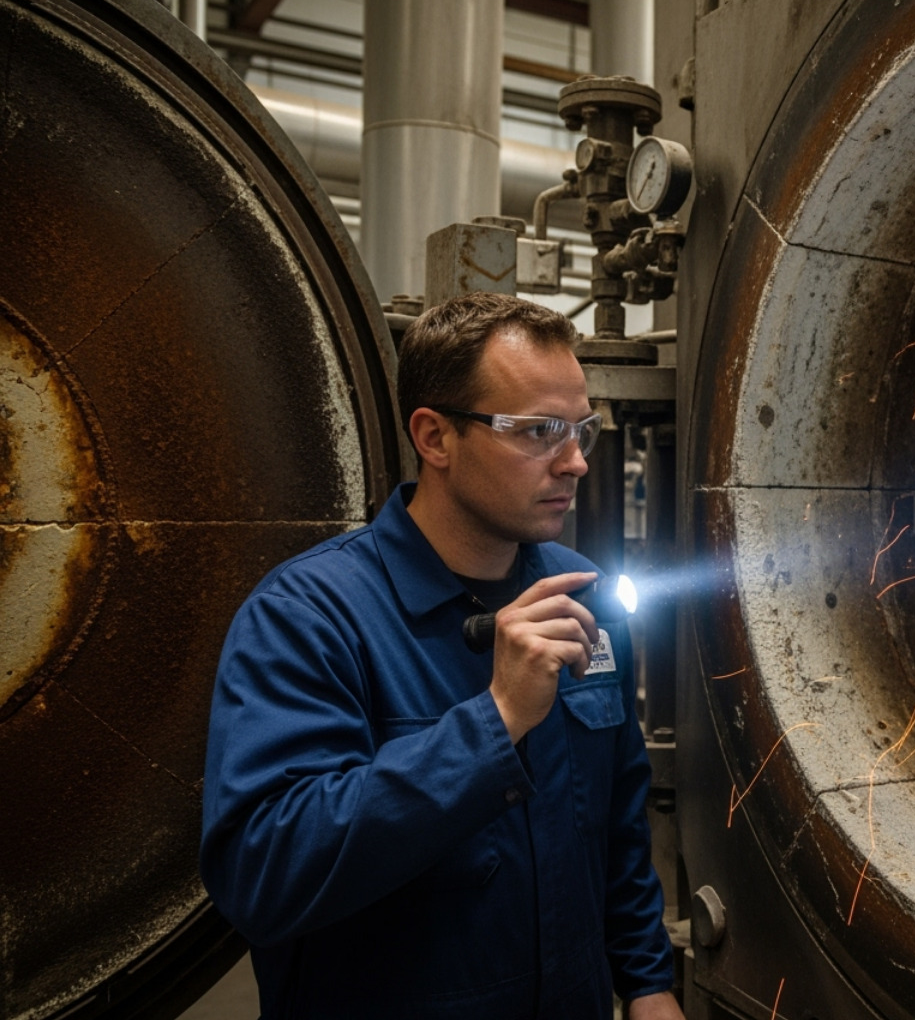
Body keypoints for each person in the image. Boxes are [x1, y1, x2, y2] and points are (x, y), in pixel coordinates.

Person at [201, 293, 683, 1019]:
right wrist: (495, 720)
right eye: (541, 431)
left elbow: (616, 822)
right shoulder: (310, 615)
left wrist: (647, 984)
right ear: (434, 437)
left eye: (581, 428)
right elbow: (266, 876)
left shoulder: (579, 593)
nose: (577, 462)